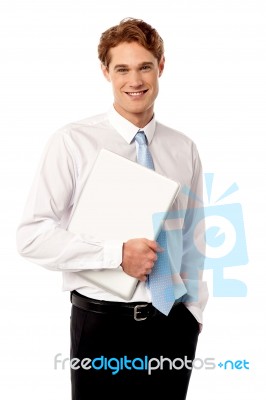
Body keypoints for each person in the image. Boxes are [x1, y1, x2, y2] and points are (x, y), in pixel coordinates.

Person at [16, 17, 208, 399]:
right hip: (102, 325)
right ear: (106, 71)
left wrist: (193, 315)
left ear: (161, 66)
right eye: (122, 68)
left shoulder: (182, 148)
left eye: (144, 67)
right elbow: (31, 236)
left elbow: (194, 238)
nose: (134, 80)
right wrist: (115, 254)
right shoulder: (73, 142)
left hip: (172, 326)